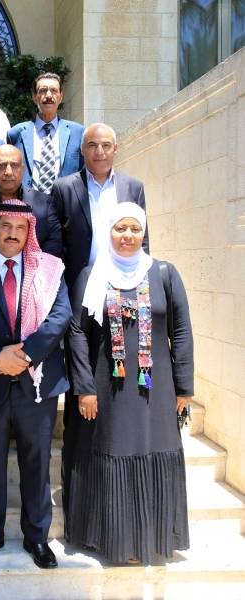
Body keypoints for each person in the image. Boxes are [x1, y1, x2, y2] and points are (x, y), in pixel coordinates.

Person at [65, 202, 193, 564]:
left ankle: (151, 537)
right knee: (114, 451)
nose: (127, 236)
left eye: (135, 229)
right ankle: (115, 540)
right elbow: (76, 332)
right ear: (109, 231)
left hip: (156, 388)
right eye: (120, 228)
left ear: (144, 232)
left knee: (155, 450)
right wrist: (84, 387)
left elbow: (181, 330)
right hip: (108, 388)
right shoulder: (92, 276)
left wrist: (184, 387)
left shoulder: (164, 273)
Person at [0, 200, 71, 569]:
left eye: (20, 228)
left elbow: (60, 315)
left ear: (29, 231)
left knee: (36, 464)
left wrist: (26, 355)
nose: (12, 233)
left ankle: (37, 537)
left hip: (36, 384)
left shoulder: (49, 269)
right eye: (5, 226)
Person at [51, 122, 148, 293]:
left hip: (123, 283)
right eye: (92, 145)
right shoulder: (63, 189)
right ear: (82, 149)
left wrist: (141, 281)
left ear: (115, 148)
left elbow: (142, 239)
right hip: (78, 285)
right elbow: (55, 242)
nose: (99, 152)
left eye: (106, 145)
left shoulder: (133, 187)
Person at [7, 72, 84, 193]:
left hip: (66, 201)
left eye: (54, 90)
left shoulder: (78, 132)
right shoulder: (16, 134)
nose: (48, 95)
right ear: (34, 97)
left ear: (61, 96)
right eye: (43, 90)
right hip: (28, 201)